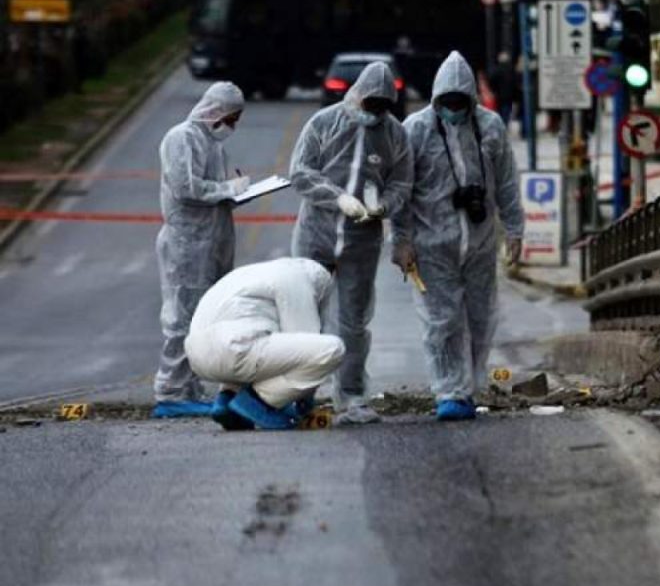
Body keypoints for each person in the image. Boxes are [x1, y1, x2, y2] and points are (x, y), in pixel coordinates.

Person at [392, 51, 524, 421]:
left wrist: (514, 229)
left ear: (470, 98)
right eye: (447, 102)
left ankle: (470, 384)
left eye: (459, 102)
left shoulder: (490, 126)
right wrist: (400, 239)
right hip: (431, 244)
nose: (453, 109)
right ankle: (450, 392)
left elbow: (507, 182)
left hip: (480, 241)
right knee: (441, 321)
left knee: (481, 317)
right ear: (437, 99)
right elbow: (400, 189)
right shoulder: (416, 130)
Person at [290, 62, 412, 425]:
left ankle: (352, 396)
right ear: (357, 95)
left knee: (353, 322)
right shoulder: (323, 123)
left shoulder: (394, 135)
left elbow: (402, 183)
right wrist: (338, 198)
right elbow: (301, 172)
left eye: (382, 107)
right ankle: (300, 395)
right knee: (305, 316)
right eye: (370, 104)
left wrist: (383, 205)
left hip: (361, 240)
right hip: (317, 233)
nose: (374, 113)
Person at [153, 82, 250, 419]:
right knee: (182, 318)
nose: (233, 126)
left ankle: (189, 387)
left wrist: (235, 193)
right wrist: (227, 189)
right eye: (231, 118)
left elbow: (213, 194)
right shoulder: (181, 138)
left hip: (208, 241)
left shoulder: (212, 145)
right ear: (215, 112)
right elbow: (187, 188)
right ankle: (171, 392)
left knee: (201, 318)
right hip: (186, 244)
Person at [186, 258, 345, 431]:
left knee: (259, 343)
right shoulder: (300, 278)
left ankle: (226, 399)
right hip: (235, 350)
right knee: (331, 350)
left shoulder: (255, 273)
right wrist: (304, 403)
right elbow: (304, 342)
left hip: (197, 355)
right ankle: (257, 403)